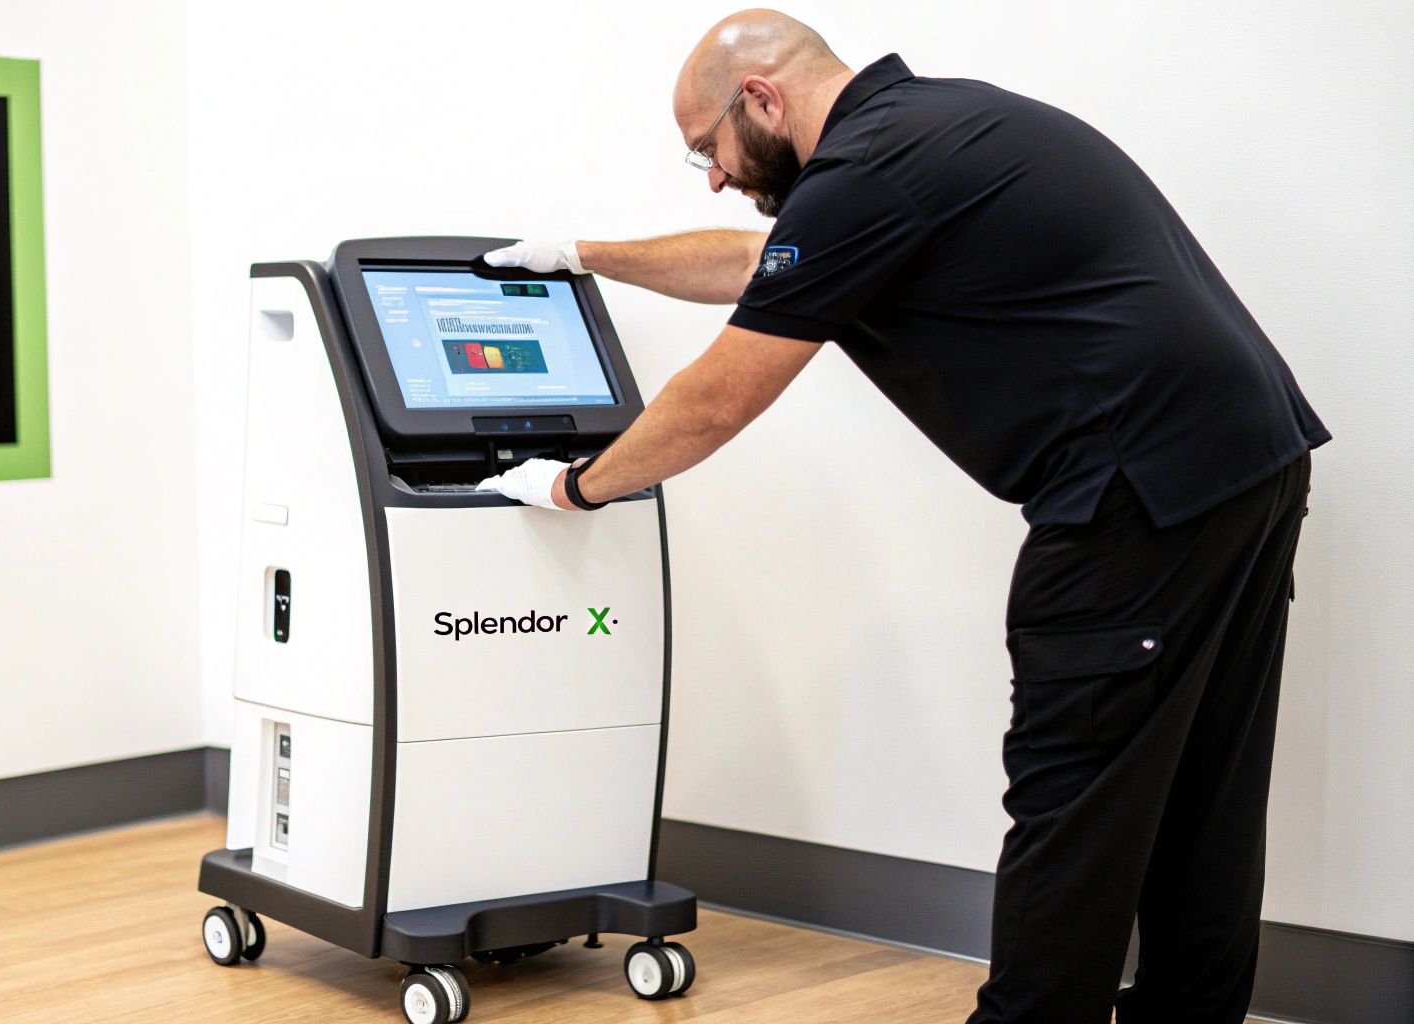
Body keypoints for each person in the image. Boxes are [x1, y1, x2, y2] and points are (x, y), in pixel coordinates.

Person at [475, 9, 1330, 1024]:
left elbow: (716, 401)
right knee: (1203, 793)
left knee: (1073, 795)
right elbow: (757, 265)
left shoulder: (865, 173)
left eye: (708, 149)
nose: (713, 177)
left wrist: (575, 487)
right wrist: (583, 255)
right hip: (1245, 462)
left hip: (1136, 495)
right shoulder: (934, 126)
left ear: (761, 98)